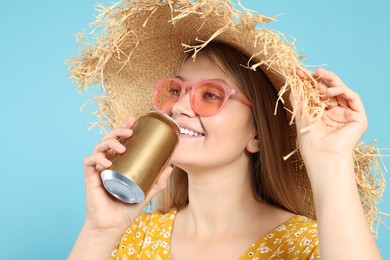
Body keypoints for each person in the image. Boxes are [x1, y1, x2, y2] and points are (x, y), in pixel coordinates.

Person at [67, 0, 385, 259]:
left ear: (258, 134)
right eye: (176, 90)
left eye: (210, 95)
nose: (179, 107)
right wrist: (100, 231)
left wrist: (331, 158)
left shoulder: (308, 243)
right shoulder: (129, 239)